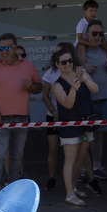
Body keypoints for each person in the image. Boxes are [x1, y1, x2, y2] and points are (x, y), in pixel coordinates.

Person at [0, 32, 42, 195]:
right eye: (1, 48)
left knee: (17, 155)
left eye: (7, 47)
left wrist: (31, 87)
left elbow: (39, 87)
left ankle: (12, 188)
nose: (4, 51)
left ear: (15, 48)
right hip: (0, 119)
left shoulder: (27, 65)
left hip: (22, 118)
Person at [51, 44, 100, 207]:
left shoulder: (81, 73)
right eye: (63, 62)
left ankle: (73, 187)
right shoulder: (57, 85)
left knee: (81, 157)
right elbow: (67, 104)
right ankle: (69, 194)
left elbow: (95, 89)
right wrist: (73, 89)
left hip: (86, 123)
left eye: (70, 61)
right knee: (70, 160)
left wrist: (85, 79)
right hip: (70, 125)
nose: (68, 64)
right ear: (57, 65)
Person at [80, 21, 107, 182]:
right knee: (84, 138)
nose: (97, 37)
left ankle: (96, 167)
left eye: (100, 34)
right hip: (86, 102)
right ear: (87, 35)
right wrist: (83, 66)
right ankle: (83, 169)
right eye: (94, 33)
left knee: (99, 137)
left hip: (103, 101)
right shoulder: (81, 50)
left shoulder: (106, 50)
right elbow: (72, 72)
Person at [40, 43, 68, 190]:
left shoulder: (75, 70)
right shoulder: (51, 72)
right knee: (53, 148)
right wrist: (54, 112)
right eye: (56, 54)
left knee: (72, 149)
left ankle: (73, 181)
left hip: (70, 117)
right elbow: (44, 95)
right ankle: (51, 178)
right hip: (53, 115)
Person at [75, 0, 107, 68]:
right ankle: (84, 66)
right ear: (84, 12)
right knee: (81, 47)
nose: (93, 13)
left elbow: (101, 33)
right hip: (84, 43)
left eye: (95, 11)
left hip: (94, 42)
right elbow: (79, 39)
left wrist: (104, 41)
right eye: (91, 11)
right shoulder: (81, 24)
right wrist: (90, 44)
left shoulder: (96, 20)